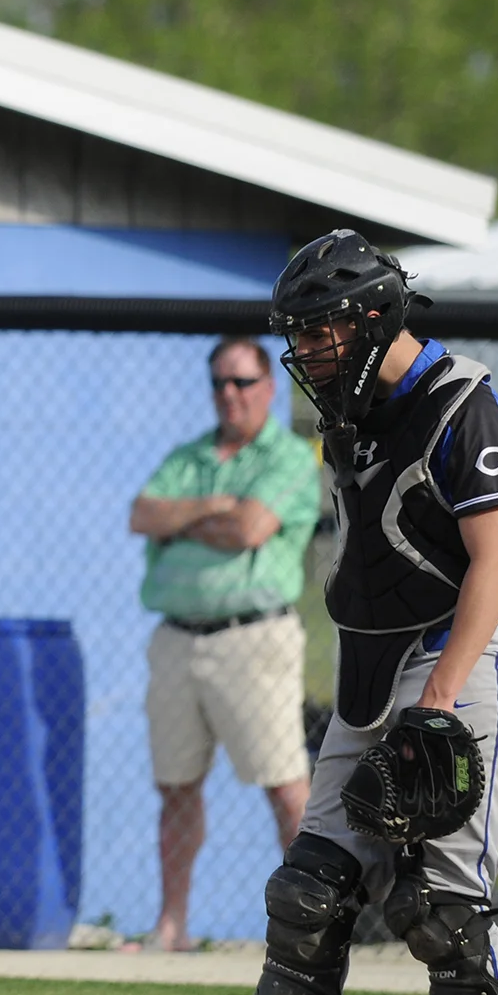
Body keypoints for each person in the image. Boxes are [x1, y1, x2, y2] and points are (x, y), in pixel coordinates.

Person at [159, 233, 498, 995]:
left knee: (445, 909)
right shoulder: (349, 411)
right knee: (310, 893)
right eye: (301, 336)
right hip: (368, 678)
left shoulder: (460, 398)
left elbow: (497, 560)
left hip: (457, 663)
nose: (308, 353)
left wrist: (439, 701)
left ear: (374, 320)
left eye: (321, 333)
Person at [131, 336, 321, 952]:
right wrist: (214, 504)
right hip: (177, 641)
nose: (229, 394)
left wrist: (184, 518)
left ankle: (313, 928)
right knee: (176, 787)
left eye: (242, 382)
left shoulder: (290, 457)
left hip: (254, 638)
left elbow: (250, 529)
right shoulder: (190, 456)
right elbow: (141, 514)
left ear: (270, 388)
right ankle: (172, 926)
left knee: (286, 784)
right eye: (219, 382)